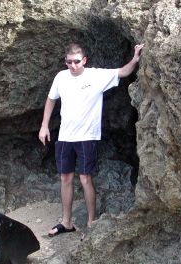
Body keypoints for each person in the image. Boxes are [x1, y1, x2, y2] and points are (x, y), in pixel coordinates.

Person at [39, 42, 144, 237]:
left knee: (85, 178)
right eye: (69, 62)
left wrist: (135, 58)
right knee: (65, 177)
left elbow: (122, 72)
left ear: (84, 60)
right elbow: (51, 98)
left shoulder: (96, 75)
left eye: (77, 62)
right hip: (65, 136)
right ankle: (66, 222)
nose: (73, 66)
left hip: (87, 137)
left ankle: (91, 222)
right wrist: (44, 125)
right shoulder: (61, 77)